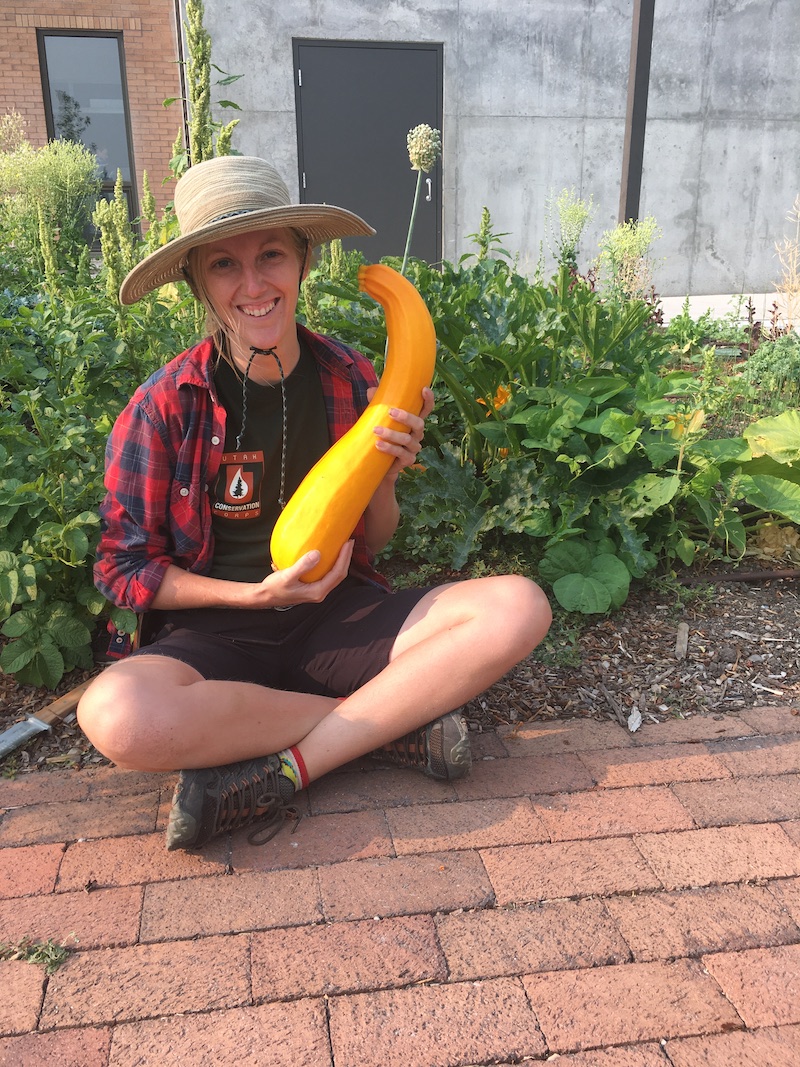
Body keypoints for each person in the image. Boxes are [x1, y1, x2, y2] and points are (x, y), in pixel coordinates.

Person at [77, 155, 552, 851]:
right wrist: (253, 599)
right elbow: (123, 570)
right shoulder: (162, 406)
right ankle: (389, 727)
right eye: (223, 266)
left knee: (520, 606)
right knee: (117, 715)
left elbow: (375, 543)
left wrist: (386, 476)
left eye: (271, 255)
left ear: (303, 260)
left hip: (337, 618)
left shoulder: (354, 379)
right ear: (197, 285)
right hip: (215, 636)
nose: (253, 285)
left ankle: (289, 768)